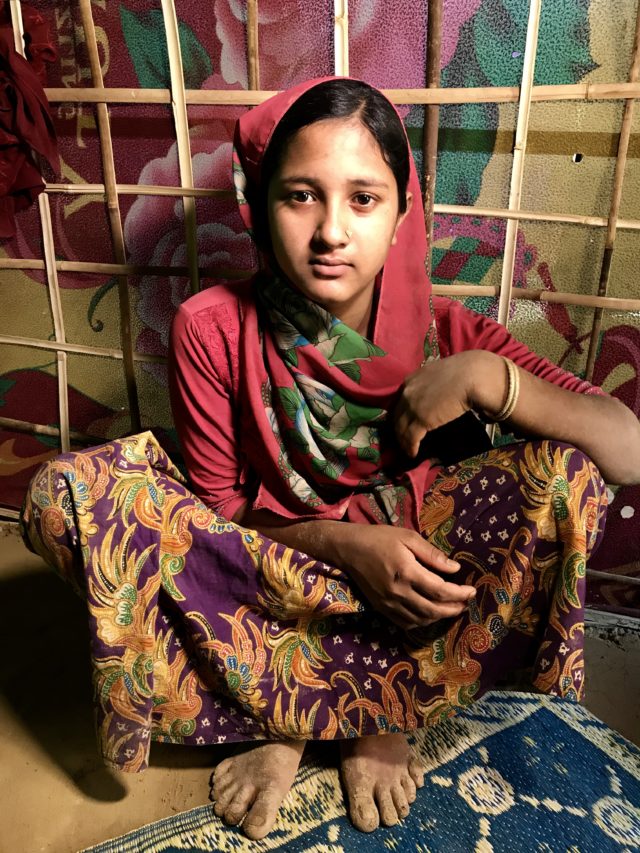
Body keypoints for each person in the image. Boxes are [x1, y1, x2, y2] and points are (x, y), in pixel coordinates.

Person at [21, 77, 640, 841]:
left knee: (566, 476)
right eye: (301, 196)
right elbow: (225, 517)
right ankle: (324, 709)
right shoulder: (213, 328)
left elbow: (627, 449)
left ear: (404, 208)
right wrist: (349, 541)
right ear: (260, 204)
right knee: (69, 497)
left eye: (363, 198)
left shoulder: (449, 336)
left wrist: (492, 381)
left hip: (413, 598)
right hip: (275, 572)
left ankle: (323, 707)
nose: (332, 233)